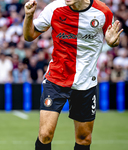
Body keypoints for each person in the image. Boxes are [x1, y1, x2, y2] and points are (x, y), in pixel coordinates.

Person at [23, 0, 123, 150]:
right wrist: (29, 16)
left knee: (84, 138)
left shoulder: (103, 12)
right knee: (45, 134)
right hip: (56, 79)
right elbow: (29, 36)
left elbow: (112, 39)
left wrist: (112, 43)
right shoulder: (54, 8)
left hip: (86, 82)